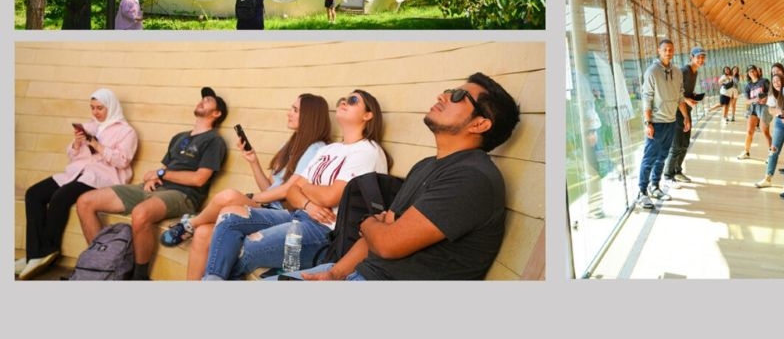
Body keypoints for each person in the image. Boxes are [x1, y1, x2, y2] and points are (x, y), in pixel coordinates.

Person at [298, 72, 520, 281]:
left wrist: (366, 222)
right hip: (360, 272)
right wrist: (335, 274)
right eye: (449, 90)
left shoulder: (472, 178)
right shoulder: (426, 166)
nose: (443, 96)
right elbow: (382, 231)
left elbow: (387, 243)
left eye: (459, 96)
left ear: (479, 124)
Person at [200, 89, 388, 280]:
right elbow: (292, 192)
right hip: (298, 215)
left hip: (324, 231)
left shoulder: (367, 151)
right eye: (343, 99)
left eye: (353, 100)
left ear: (368, 115)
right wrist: (308, 203)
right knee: (230, 217)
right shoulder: (331, 149)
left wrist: (304, 188)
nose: (344, 102)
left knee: (246, 247)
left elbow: (329, 196)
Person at [157, 94, 331, 280]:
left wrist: (251, 197)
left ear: (310, 116)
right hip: (268, 206)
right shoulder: (291, 144)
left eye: (295, 110)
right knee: (203, 233)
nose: (289, 113)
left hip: (284, 214)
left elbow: (287, 190)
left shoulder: (316, 149)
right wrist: (253, 162)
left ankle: (188, 225)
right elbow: (270, 189)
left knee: (229, 196)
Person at [75, 87, 228, 280]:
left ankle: (139, 277)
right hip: (155, 188)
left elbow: (199, 179)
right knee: (85, 202)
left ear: (216, 113)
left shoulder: (214, 141)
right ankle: (104, 262)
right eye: (202, 98)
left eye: (208, 100)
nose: (202, 101)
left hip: (184, 195)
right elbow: (160, 169)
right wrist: (154, 177)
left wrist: (162, 173)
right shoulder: (179, 137)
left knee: (141, 214)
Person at [17, 89, 138, 280]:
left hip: (102, 177)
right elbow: (74, 156)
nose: (95, 112)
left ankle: (48, 250)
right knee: (34, 194)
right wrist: (77, 143)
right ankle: (34, 254)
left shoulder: (127, 132)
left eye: (99, 108)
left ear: (111, 107)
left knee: (61, 197)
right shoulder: (90, 126)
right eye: (92, 108)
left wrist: (97, 145)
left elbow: (122, 161)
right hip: (76, 173)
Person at [636, 39, 691, 209]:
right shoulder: (652, 71)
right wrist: (648, 122)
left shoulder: (677, 71)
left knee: (662, 158)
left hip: (671, 121)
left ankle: (655, 186)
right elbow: (647, 98)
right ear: (659, 51)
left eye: (671, 49)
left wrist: (685, 117)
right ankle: (642, 192)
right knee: (649, 158)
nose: (668, 52)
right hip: (657, 123)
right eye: (665, 49)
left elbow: (680, 97)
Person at [664, 46, 705, 187]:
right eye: (698, 57)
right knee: (676, 146)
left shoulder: (695, 72)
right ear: (691, 57)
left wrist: (692, 96)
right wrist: (686, 100)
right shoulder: (684, 71)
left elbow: (684, 91)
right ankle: (668, 176)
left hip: (686, 111)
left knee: (685, 144)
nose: (701, 59)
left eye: (702, 57)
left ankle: (677, 171)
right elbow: (673, 91)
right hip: (676, 112)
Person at [756, 64, 784, 189]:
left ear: (783, 71)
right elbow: (771, 109)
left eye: (778, 71)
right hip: (779, 123)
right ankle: (768, 178)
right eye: (773, 73)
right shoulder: (773, 90)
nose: (776, 74)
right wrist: (781, 113)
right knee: (773, 149)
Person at [737, 66, 772, 160]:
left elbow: (771, 93)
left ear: (756, 72)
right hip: (753, 108)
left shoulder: (764, 81)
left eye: (753, 71)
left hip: (764, 107)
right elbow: (747, 101)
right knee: (749, 131)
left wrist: (766, 99)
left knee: (765, 132)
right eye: (749, 72)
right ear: (748, 74)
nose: (752, 73)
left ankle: (772, 154)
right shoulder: (748, 86)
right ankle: (746, 152)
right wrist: (754, 100)